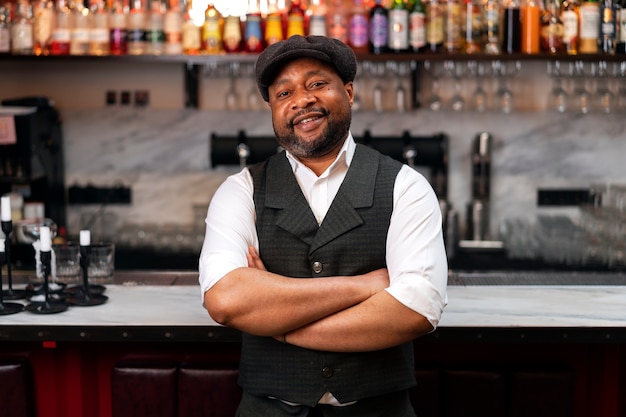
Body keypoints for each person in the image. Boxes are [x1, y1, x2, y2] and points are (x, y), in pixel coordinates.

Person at [199, 35, 448, 417]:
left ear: (348, 92)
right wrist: (364, 286)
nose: (301, 100)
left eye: (317, 84)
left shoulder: (405, 186)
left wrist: (275, 325)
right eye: (283, 93)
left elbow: (416, 309)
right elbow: (226, 300)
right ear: (273, 110)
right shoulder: (240, 191)